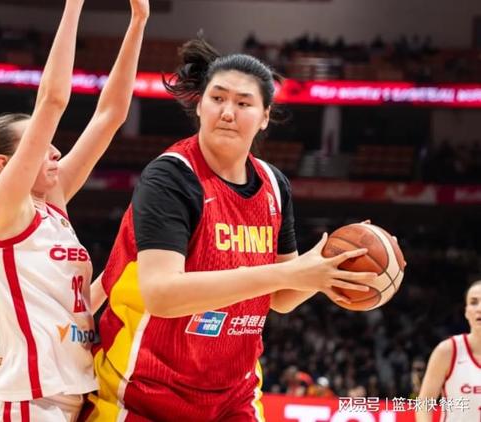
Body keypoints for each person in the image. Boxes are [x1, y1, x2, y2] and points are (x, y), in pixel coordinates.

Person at [84, 38, 376, 421]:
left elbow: (281, 297)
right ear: (199, 105)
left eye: (243, 103)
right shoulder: (170, 177)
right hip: (141, 392)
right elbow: (161, 295)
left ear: (265, 116)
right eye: (218, 98)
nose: (227, 112)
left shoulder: (274, 185)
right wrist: (290, 272)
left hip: (233, 397)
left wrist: (329, 269)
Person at [0, 0, 148, 420]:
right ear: (7, 165)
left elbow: (110, 115)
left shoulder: (53, 205)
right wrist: (74, 6)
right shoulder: (6, 212)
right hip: (28, 401)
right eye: (41, 146)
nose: (56, 151)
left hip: (71, 395)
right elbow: (52, 100)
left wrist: (139, 21)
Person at [416, 279, 481, 422]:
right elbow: (424, 403)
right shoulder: (448, 351)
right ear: (466, 312)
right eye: (474, 302)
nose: (479, 308)